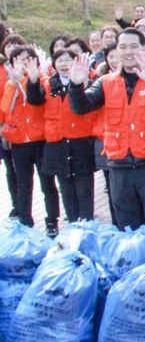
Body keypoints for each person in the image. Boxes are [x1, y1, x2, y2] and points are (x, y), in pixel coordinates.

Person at [68, 27, 145, 231]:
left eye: (133, 46)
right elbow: (81, 107)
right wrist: (76, 86)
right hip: (119, 166)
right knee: (125, 226)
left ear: (144, 48)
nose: (128, 52)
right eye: (123, 47)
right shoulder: (106, 82)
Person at [25, 47, 96, 224]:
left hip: (81, 142)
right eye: (60, 61)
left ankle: (87, 225)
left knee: (84, 188)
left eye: (68, 60)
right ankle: (73, 225)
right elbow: (35, 100)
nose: (64, 64)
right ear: (54, 64)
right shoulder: (49, 84)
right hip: (57, 143)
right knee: (66, 189)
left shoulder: (86, 82)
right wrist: (33, 80)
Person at [3, 47, 61, 235]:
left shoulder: (44, 79)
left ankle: (52, 220)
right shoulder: (11, 83)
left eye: (28, 60)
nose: (24, 64)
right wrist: (13, 82)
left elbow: (41, 101)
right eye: (19, 61)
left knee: (47, 182)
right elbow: (5, 109)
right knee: (23, 183)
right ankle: (25, 220)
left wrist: (34, 79)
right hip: (20, 141)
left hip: (41, 140)